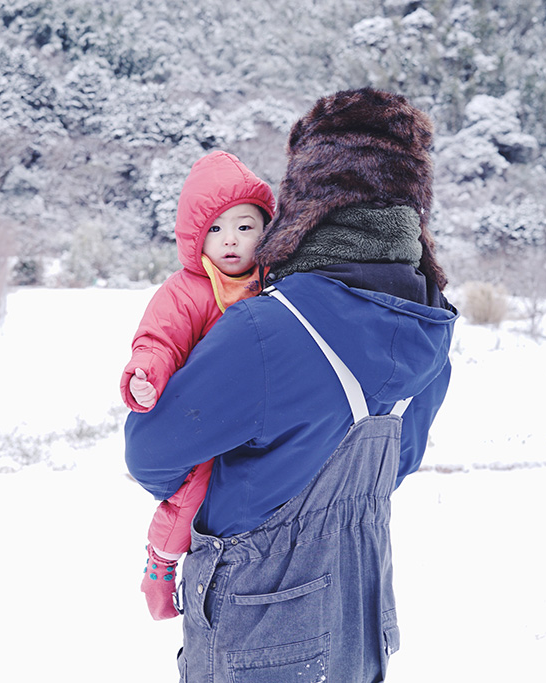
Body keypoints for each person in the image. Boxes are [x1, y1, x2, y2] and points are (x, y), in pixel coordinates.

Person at [124, 87, 458, 681]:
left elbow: (150, 454)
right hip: (362, 611)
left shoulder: (267, 326)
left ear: (306, 197)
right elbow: (396, 465)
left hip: (261, 624)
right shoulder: (431, 320)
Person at [120, 150, 275, 620]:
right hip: (201, 416)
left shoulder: (273, 282)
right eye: (215, 229)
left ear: (266, 231)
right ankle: (162, 562)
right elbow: (158, 340)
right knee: (196, 488)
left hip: (256, 410)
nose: (230, 240)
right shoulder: (185, 291)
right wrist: (145, 374)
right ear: (195, 236)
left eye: (245, 227)